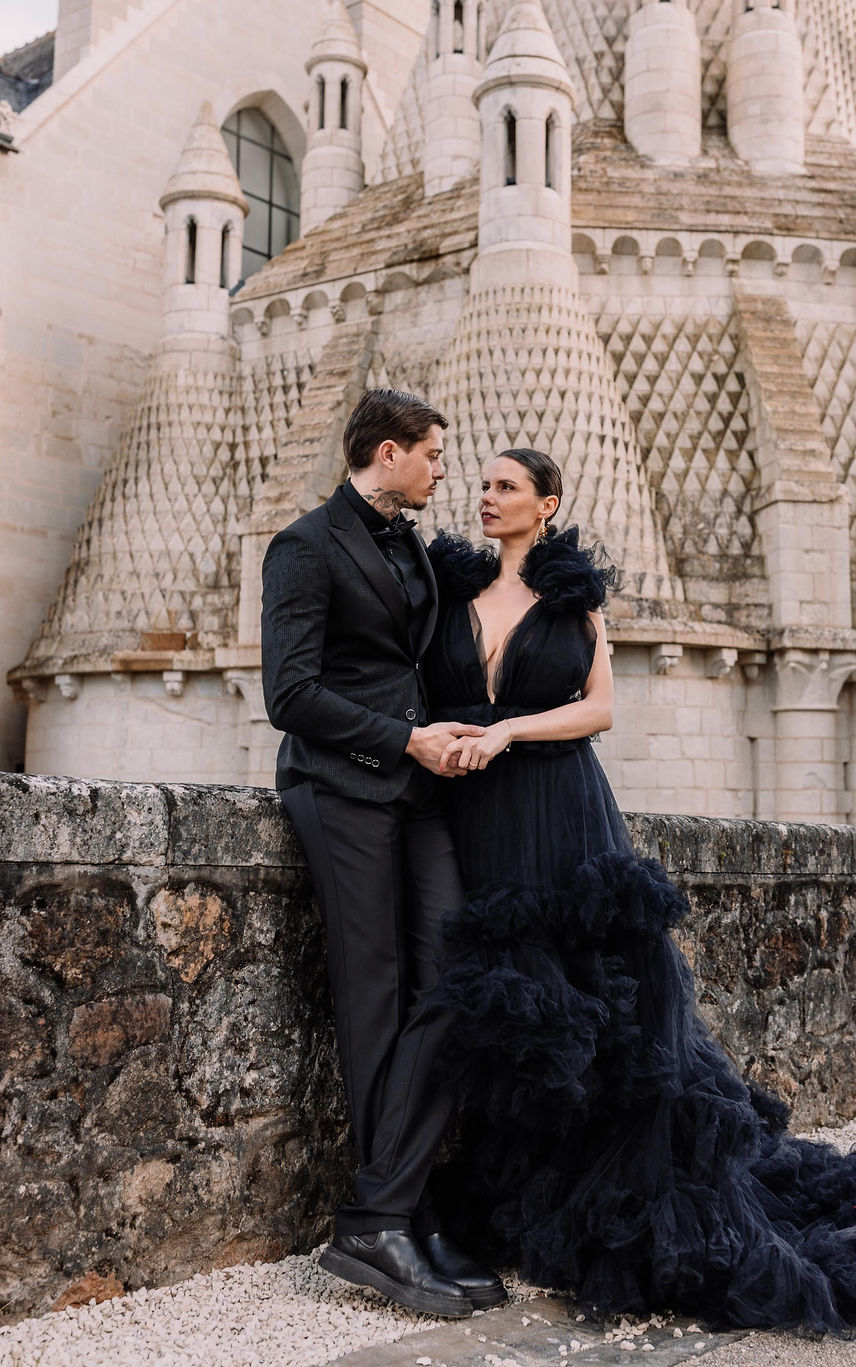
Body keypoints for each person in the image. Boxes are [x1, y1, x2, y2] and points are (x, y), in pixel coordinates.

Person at [420, 445, 856, 1335]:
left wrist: (506, 734)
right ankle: (526, 1197)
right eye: (483, 486)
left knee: (593, 1006)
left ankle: (612, 1213)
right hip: (477, 816)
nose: (485, 499)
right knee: (515, 1012)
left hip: (560, 803)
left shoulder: (574, 599)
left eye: (505, 487)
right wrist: (450, 736)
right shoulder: (454, 591)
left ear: (548, 504)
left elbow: (599, 707)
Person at [261, 388, 506, 1319]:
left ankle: (388, 1205)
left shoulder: (409, 543)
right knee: (375, 993)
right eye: (435, 455)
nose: (443, 470)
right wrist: (400, 739)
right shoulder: (305, 545)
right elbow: (289, 693)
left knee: (451, 973)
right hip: (341, 785)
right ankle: (394, 1214)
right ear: (390, 451)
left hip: (418, 787)